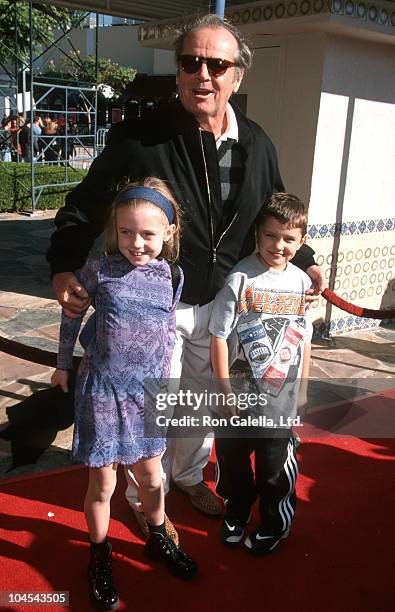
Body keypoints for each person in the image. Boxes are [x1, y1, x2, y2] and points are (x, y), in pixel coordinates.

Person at [46, 14, 324, 541]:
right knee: (153, 402)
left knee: (200, 400)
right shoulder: (140, 137)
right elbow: (83, 207)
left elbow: (275, 211)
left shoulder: (256, 143)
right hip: (155, 305)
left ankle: (191, 477)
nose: (204, 74)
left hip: (222, 306)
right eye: (190, 62)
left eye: (217, 64)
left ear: (237, 76)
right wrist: (62, 266)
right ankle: (140, 497)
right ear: (177, 72)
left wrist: (304, 257)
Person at [51, 177, 197, 611]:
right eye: (127, 231)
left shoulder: (172, 274)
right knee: (104, 484)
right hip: (103, 394)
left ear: (169, 232)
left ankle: (158, 537)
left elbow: (166, 331)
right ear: (115, 228)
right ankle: (99, 554)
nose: (136, 243)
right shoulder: (101, 267)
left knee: (153, 477)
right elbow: (71, 314)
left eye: (148, 234)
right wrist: (62, 364)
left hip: (147, 395)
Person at [209, 193, 312, 554]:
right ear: (257, 234)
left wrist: (301, 390)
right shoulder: (240, 278)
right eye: (270, 235)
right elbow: (219, 337)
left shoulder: (301, 282)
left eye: (288, 239)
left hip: (279, 401)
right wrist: (223, 390)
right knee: (232, 460)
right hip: (237, 394)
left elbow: (304, 340)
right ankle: (236, 510)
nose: (278, 245)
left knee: (275, 468)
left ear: (301, 241)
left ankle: (274, 522)